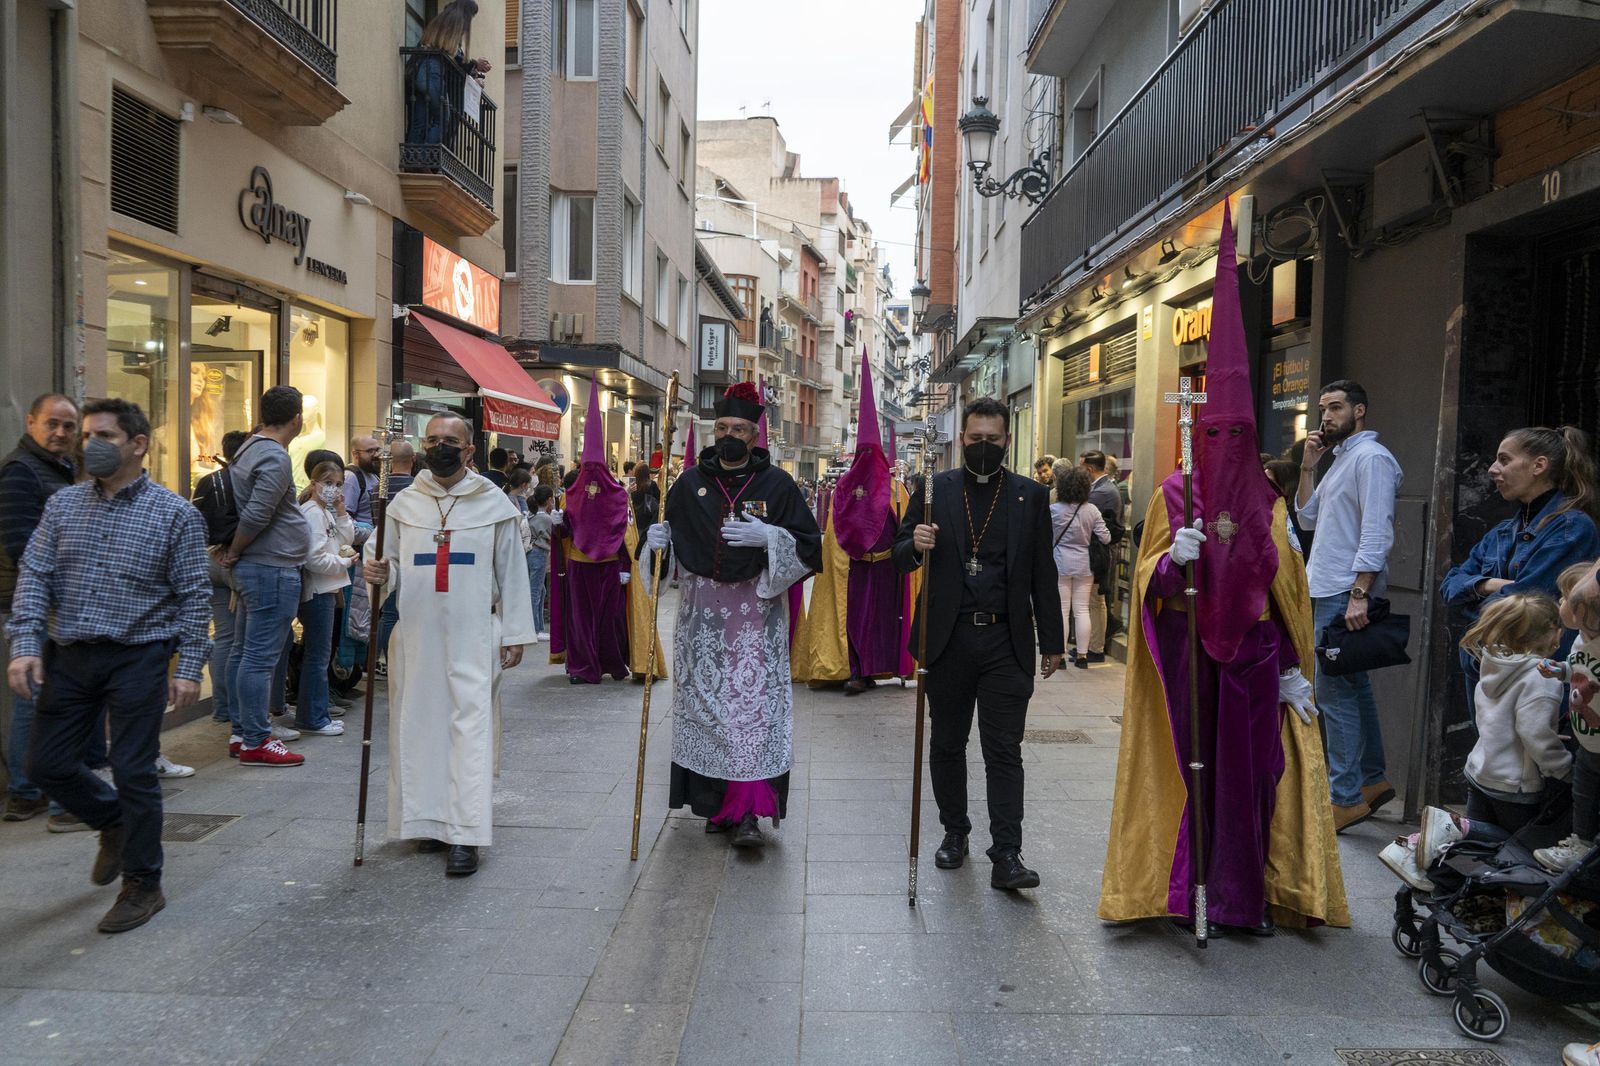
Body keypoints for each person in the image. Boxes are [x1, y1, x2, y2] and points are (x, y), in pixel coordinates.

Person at [1101, 209, 1347, 933]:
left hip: (1255, 659)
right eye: (1216, 433)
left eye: (1239, 433)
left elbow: (1289, 590)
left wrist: (1297, 666)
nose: (1227, 443)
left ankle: (1244, 896)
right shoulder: (1174, 495)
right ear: (1198, 428)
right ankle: (1188, 891)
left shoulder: (1268, 499)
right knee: (1188, 771)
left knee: (1251, 778)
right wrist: (1168, 569)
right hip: (1186, 654)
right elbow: (1146, 577)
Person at [6, 398, 210, 933]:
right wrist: (24, 643)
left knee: (134, 768)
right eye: (87, 435)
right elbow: (34, 575)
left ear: (137, 444)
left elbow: (194, 596)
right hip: (70, 652)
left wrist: (189, 666)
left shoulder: (176, 514)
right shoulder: (63, 506)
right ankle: (112, 820)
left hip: (139, 654)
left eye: (104, 436)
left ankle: (144, 883)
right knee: (44, 765)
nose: (89, 445)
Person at [894, 397, 1065, 890]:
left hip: (1006, 642)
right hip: (947, 638)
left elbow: (1041, 572)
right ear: (961, 439)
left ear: (1007, 441)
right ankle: (954, 832)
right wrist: (915, 545)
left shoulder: (1030, 496)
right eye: (975, 440)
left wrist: (1051, 640)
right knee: (947, 744)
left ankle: (1007, 853)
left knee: (1004, 751)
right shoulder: (932, 489)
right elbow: (899, 557)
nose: (983, 447)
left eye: (993, 440)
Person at [649, 382, 822, 847]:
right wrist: (656, 547)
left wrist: (773, 538)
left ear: (753, 435)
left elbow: (810, 547)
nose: (728, 434)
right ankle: (714, 806)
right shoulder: (687, 483)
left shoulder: (778, 485)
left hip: (754, 620)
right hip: (700, 621)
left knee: (749, 713)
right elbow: (669, 559)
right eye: (721, 426)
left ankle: (748, 812)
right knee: (707, 711)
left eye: (739, 429)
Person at [362, 414, 534, 876]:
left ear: (469, 451)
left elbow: (513, 572)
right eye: (432, 439)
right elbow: (390, 564)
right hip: (416, 636)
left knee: (468, 731)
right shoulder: (404, 504)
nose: (440, 447)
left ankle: (464, 835)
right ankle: (428, 820)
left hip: (473, 635)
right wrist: (379, 572)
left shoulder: (493, 504)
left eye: (450, 441)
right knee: (419, 726)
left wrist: (516, 633)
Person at [1294, 380, 1404, 832]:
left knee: (1332, 693)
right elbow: (1307, 517)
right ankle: (1372, 782)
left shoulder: (1372, 458)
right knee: (1352, 687)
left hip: (1344, 590)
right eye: (1323, 408)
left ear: (1360, 410)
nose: (1327, 416)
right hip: (1327, 586)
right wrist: (1307, 467)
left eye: (1336, 407)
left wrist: (1360, 592)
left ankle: (1344, 797)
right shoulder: (1341, 460)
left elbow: (1377, 530)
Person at [1441, 426, 1600, 725]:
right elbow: (1449, 587)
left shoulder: (1572, 528)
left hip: (1539, 684)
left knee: (1540, 765)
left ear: (1539, 466)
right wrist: (1492, 584)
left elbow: (1527, 602)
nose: (1492, 470)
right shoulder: (1502, 531)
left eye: (1504, 460)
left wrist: (1477, 593)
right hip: (1488, 675)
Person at [1, 394, 84, 822]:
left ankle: (29, 789)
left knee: (41, 699)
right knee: (38, 699)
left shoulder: (62, 468)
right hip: (34, 603)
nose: (61, 433)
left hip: (54, 602)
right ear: (31, 422)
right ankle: (29, 789)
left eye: (69, 426)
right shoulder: (21, 471)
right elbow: (22, 547)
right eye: (52, 424)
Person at [219, 386, 310, 766]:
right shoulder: (273, 455)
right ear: (296, 418)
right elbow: (258, 513)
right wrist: (237, 549)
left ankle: (242, 732)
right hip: (270, 566)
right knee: (258, 658)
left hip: (259, 565)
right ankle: (257, 738)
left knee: (244, 652)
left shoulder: (249, 448)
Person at [828, 359, 915, 696]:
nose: (865, 458)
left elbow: (906, 529)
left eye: (870, 451)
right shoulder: (844, 489)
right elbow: (835, 530)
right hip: (858, 570)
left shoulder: (895, 490)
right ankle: (858, 671)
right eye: (859, 452)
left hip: (889, 570)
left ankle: (890, 666)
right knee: (858, 623)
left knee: (885, 623)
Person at [549, 386, 631, 685]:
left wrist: (624, 566)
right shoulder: (570, 497)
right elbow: (567, 533)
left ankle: (612, 661)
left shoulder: (619, 497)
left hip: (609, 566)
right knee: (581, 621)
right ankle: (583, 666)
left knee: (609, 620)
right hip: (579, 564)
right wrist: (559, 523)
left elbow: (625, 533)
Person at [1533, 562, 1600, 873]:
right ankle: (1582, 841)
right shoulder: (1581, 641)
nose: (1560, 602)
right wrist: (1561, 670)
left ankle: (1586, 841)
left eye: (1564, 596)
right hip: (1586, 733)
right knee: (1584, 788)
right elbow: (1580, 668)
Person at [192, 430, 249, 727]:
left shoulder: (207, 481)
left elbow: (195, 519)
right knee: (243, 642)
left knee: (224, 637)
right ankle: (241, 711)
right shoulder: (247, 480)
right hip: (236, 560)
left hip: (208, 557)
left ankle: (222, 707)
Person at [294, 460, 355, 737]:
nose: (334, 489)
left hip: (328, 588)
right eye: (328, 483)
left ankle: (315, 713)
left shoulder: (325, 511)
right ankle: (313, 716)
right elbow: (314, 557)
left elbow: (346, 537)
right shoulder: (312, 513)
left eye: (339, 484)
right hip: (318, 590)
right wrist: (342, 563)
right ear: (314, 482)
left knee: (319, 655)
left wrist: (341, 511)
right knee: (317, 657)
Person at [1050, 463, 1110, 669]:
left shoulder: (1054, 510)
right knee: (1082, 610)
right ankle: (1083, 656)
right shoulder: (1091, 510)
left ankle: (1062, 656)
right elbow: (1105, 537)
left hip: (1059, 563)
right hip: (1085, 564)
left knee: (1062, 610)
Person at [1079, 450, 1125, 663]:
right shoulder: (1104, 488)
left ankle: (1095, 648)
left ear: (1089, 468)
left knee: (1096, 601)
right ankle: (1092, 645)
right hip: (1099, 553)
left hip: (1099, 555)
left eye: (1081, 468)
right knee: (1095, 601)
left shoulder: (1101, 492)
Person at [376, 439, 417, 667]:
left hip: (382, 551)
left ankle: (385, 659)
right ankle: (396, 659)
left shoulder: (377, 488)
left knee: (388, 613)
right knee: (396, 612)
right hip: (407, 555)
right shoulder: (415, 491)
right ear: (413, 459)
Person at [527, 486, 555, 643]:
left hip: (533, 553)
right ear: (549, 499)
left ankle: (537, 626)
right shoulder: (546, 518)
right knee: (536, 590)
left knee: (540, 590)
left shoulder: (532, 515)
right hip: (540, 553)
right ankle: (534, 629)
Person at [344, 435, 380, 529]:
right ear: (355, 454)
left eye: (377, 450)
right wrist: (367, 532)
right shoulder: (351, 478)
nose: (376, 455)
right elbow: (345, 517)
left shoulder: (374, 474)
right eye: (370, 451)